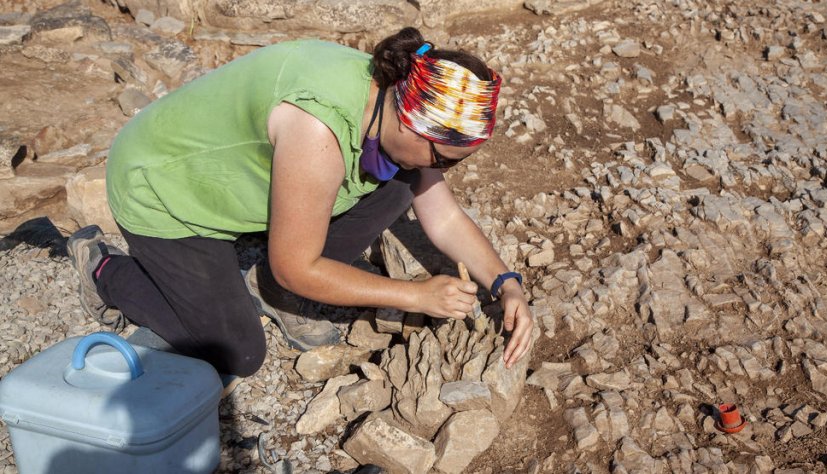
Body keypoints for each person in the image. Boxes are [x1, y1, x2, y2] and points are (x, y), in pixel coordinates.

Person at [66, 27, 533, 379]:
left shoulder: (393, 100)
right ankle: (105, 271)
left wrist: (507, 283)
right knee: (238, 352)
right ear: (412, 123)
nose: (445, 170)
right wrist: (416, 295)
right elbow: (296, 266)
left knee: (398, 183)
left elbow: (445, 215)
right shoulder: (318, 130)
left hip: (238, 181)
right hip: (165, 191)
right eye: (446, 160)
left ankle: (272, 287)